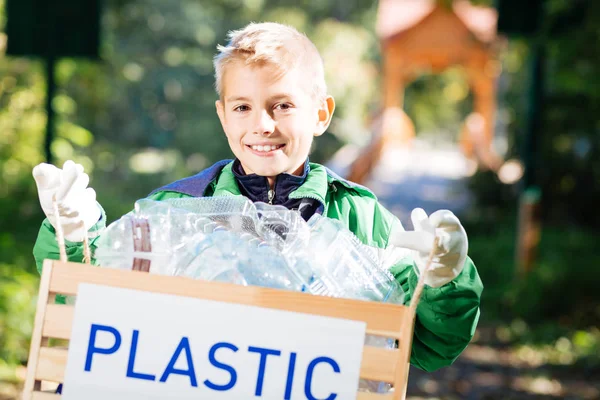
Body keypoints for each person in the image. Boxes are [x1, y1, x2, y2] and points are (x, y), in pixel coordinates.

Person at [32, 22, 482, 374]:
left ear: (321, 113)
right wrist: (74, 234)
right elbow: (95, 308)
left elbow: (429, 345)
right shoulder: (178, 210)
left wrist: (444, 280)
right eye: (242, 106)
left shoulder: (361, 217)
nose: (262, 124)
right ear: (223, 116)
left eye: (282, 105)